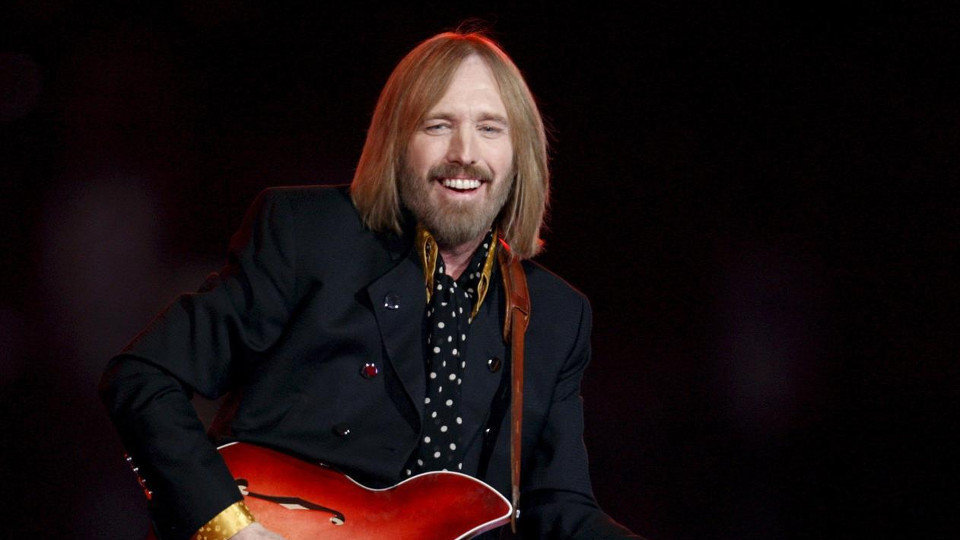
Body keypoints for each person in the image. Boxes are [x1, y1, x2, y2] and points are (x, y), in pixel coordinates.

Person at [100, 30, 641, 539]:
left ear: (520, 154)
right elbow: (143, 376)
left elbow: (559, 508)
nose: (465, 153)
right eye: (438, 125)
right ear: (395, 141)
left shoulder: (555, 315)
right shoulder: (309, 237)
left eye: (490, 128)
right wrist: (227, 526)